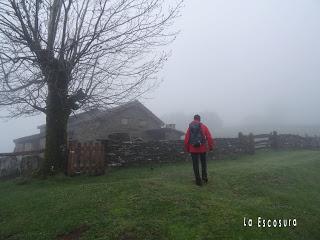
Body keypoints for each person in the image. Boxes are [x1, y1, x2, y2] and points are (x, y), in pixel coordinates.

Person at [184, 114, 214, 186]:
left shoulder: (190, 127)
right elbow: (209, 137)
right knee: (203, 163)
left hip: (193, 149)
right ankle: (204, 178)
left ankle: (198, 181)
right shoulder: (203, 126)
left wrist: (188, 149)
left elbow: (186, 139)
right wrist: (210, 147)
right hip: (202, 148)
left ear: (194, 119)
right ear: (199, 119)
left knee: (195, 165)